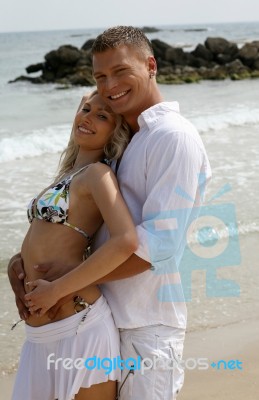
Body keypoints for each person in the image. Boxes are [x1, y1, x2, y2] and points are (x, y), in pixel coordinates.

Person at [9, 26, 212, 400]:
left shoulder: (173, 137)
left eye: (120, 71)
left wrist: (63, 286)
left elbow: (158, 248)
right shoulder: (127, 142)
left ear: (150, 65)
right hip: (102, 319)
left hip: (146, 326)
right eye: (100, 76)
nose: (108, 85)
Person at [10, 90, 138, 400]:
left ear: (114, 133)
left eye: (102, 116)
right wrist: (19, 265)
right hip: (40, 333)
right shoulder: (67, 175)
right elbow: (55, 238)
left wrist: (56, 289)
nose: (88, 117)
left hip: (80, 326)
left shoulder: (98, 174)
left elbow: (126, 240)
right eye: (86, 108)